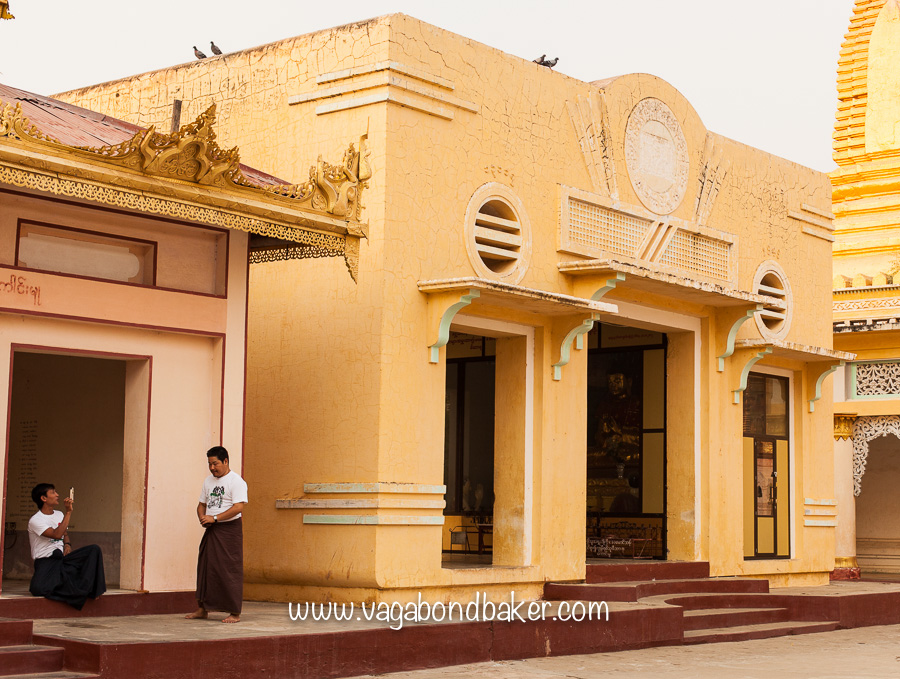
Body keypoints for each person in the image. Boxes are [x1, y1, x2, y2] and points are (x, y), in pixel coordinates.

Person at [186, 445, 248, 623]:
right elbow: (201, 505)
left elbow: (238, 507)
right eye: (210, 464)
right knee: (206, 568)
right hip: (212, 529)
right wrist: (202, 517)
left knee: (229, 570)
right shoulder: (208, 481)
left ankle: (234, 612)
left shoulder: (236, 481)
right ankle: (202, 608)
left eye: (215, 464)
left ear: (225, 461)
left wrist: (215, 518)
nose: (212, 468)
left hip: (229, 530)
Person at [27, 483, 106, 610]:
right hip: (46, 562)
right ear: (43, 498)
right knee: (39, 588)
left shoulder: (59, 514)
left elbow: (64, 534)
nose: (57, 495)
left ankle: (92, 591)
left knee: (93, 550)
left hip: (62, 560)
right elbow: (56, 534)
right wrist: (69, 512)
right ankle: (76, 592)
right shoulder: (36, 520)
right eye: (53, 492)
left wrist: (67, 544)